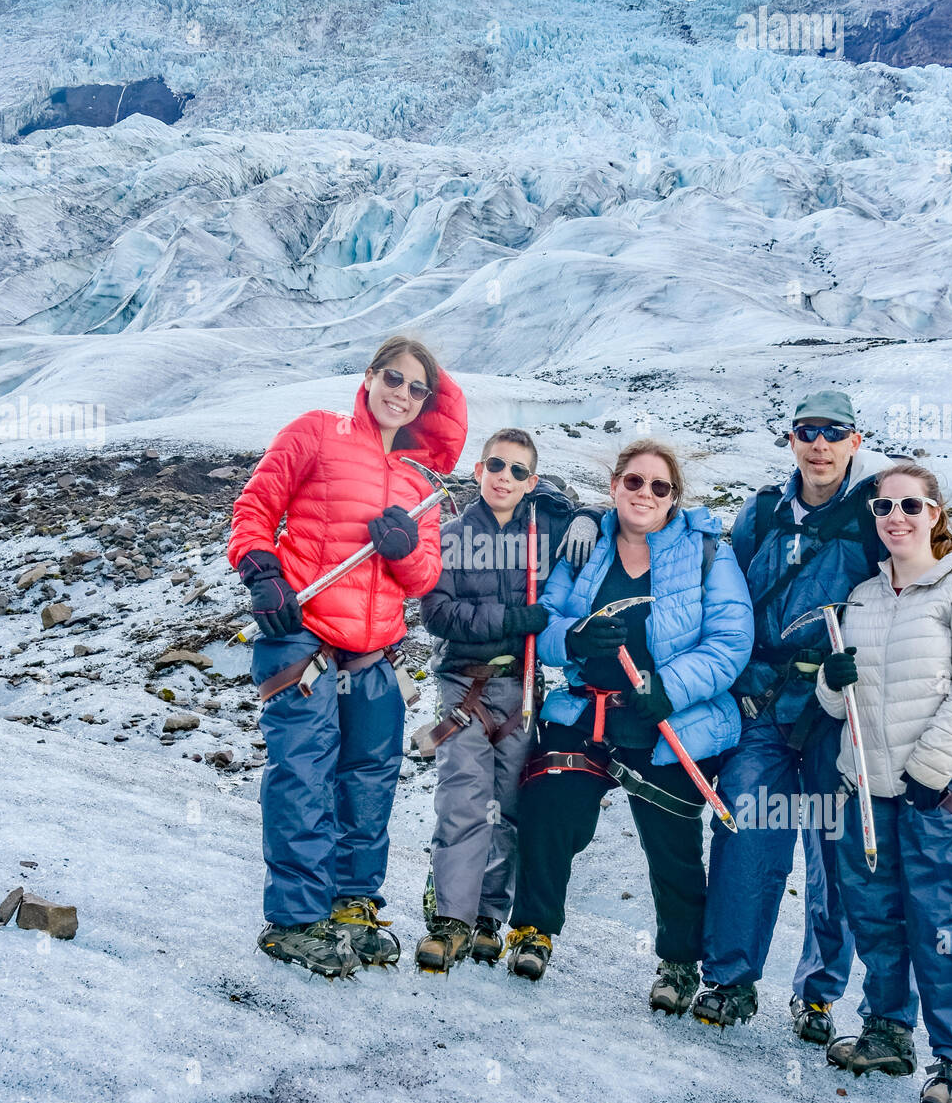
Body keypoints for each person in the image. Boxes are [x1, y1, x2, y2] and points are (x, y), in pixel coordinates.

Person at [227, 335, 466, 978]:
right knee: (304, 773)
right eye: (394, 377)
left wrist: (402, 548)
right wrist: (261, 571)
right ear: (369, 376)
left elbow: (423, 577)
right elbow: (254, 507)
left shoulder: (421, 487)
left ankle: (351, 907)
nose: (402, 393)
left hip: (372, 650)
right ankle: (297, 922)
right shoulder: (316, 432)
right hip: (300, 633)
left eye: (418, 388)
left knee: (368, 777)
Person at [505, 439, 754, 1014]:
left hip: (670, 720)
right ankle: (533, 929)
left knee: (672, 846)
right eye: (634, 482)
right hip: (586, 710)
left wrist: (672, 686)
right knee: (549, 804)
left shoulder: (707, 553)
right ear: (614, 487)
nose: (645, 493)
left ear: (674, 498)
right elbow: (546, 622)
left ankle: (678, 961)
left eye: (659, 486)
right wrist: (572, 638)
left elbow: (731, 640)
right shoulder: (585, 548)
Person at [696, 391, 894, 1042]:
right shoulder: (758, 517)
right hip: (763, 706)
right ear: (791, 440)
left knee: (835, 855)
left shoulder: (873, 523)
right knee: (747, 834)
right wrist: (734, 682)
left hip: (839, 711)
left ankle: (817, 994)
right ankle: (729, 982)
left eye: (833, 433)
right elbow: (723, 607)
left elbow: (904, 607)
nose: (820, 444)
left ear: (854, 442)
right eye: (808, 431)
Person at [817, 461, 952, 1103]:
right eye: (883, 508)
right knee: (875, 913)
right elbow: (837, 698)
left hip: (941, 786)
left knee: (941, 922)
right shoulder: (865, 598)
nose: (895, 516)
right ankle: (887, 1032)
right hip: (868, 784)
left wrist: (930, 769)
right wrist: (827, 676)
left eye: (909, 504)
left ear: (934, 512)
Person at [414, 429, 599, 971]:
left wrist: (585, 515)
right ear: (478, 470)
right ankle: (452, 920)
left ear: (531, 482)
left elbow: (605, 518)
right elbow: (436, 614)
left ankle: (490, 917)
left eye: (519, 471)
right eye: (497, 465)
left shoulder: (545, 531)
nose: (506, 477)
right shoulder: (450, 536)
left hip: (523, 688)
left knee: (510, 806)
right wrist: (510, 620)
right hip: (463, 685)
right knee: (463, 798)